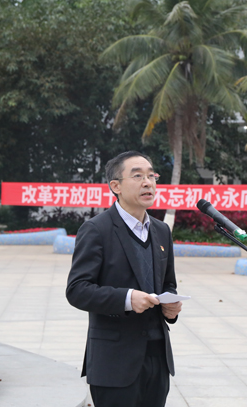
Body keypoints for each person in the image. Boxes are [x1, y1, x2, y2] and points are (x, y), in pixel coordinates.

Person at [66, 151, 182, 407]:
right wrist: (127, 299)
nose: (148, 183)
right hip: (114, 362)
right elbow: (77, 290)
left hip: (157, 357)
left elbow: (168, 284)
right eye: (138, 176)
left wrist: (171, 306)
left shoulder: (162, 230)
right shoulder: (97, 230)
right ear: (115, 186)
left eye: (151, 176)